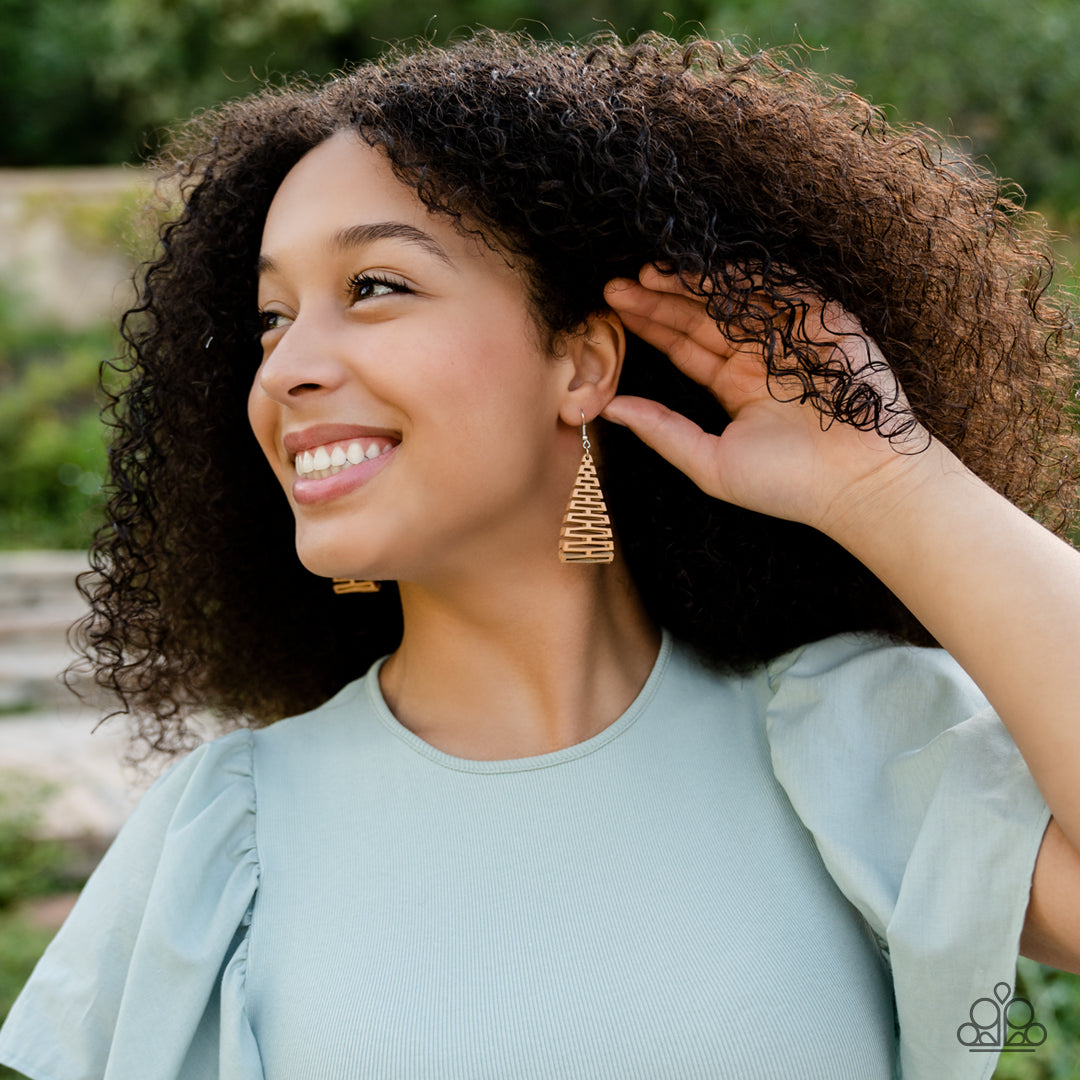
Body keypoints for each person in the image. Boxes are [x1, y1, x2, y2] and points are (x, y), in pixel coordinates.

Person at [2, 29, 1079, 1080]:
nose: (287, 369)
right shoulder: (224, 836)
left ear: (581, 365)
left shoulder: (847, 749)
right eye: (272, 319)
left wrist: (891, 481)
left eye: (375, 286)